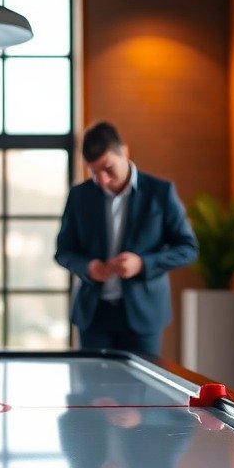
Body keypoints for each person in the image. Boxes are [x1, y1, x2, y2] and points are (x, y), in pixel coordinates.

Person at [54, 120, 198, 355]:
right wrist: (88, 267)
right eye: (93, 171)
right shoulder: (79, 196)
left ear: (124, 152)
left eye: (108, 168)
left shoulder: (160, 193)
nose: (102, 179)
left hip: (144, 315)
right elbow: (63, 251)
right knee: (91, 389)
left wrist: (142, 264)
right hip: (93, 315)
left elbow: (188, 248)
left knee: (142, 390)